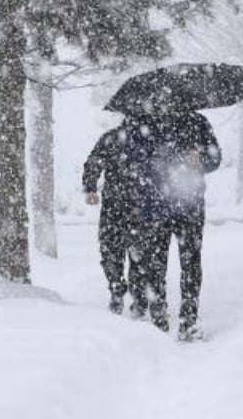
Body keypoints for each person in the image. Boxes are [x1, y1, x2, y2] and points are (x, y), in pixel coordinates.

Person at [127, 110, 220, 341]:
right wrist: (164, 158)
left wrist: (201, 159)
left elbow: (215, 158)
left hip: (190, 207)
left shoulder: (198, 122)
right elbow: (132, 157)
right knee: (155, 265)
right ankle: (159, 318)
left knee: (190, 263)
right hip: (155, 207)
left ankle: (189, 320)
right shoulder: (143, 123)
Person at [82, 117, 144, 316]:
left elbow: (93, 162)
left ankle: (118, 289)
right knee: (137, 254)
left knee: (112, 250)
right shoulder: (147, 137)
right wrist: (91, 187)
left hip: (115, 205)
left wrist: (91, 187)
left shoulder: (112, 137)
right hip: (138, 206)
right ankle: (135, 295)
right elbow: (94, 162)